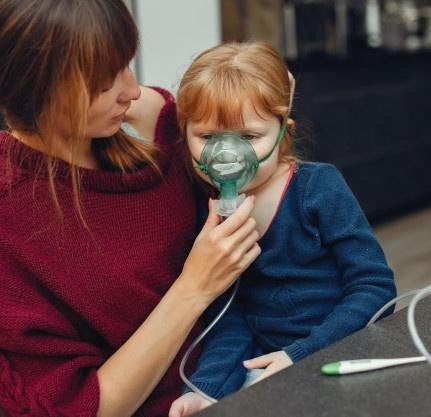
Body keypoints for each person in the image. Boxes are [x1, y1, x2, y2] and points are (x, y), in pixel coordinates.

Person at [0, 1, 261, 417]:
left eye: (126, 64)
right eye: (103, 81)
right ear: (35, 86)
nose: (130, 90)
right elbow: (73, 409)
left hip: (253, 365)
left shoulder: (146, 127)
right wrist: (194, 288)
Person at [169, 41, 397, 417]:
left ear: (282, 132)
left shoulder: (319, 190)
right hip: (267, 369)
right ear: (185, 136)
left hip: (342, 351)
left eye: (247, 137)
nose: (227, 156)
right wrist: (207, 390)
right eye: (209, 138)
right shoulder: (208, 212)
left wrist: (300, 354)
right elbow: (228, 315)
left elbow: (375, 289)